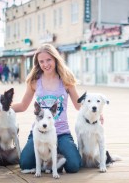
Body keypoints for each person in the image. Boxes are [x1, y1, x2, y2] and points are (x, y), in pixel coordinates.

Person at [11, 44, 82, 173]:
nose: (45, 64)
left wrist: (97, 113)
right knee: (25, 164)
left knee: (74, 166)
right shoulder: (34, 81)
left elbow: (78, 106)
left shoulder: (66, 79)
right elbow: (23, 105)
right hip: (39, 132)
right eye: (41, 61)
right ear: (38, 63)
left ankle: (56, 152)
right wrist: (1, 109)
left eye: (48, 60)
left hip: (61, 133)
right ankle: (47, 158)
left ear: (55, 59)